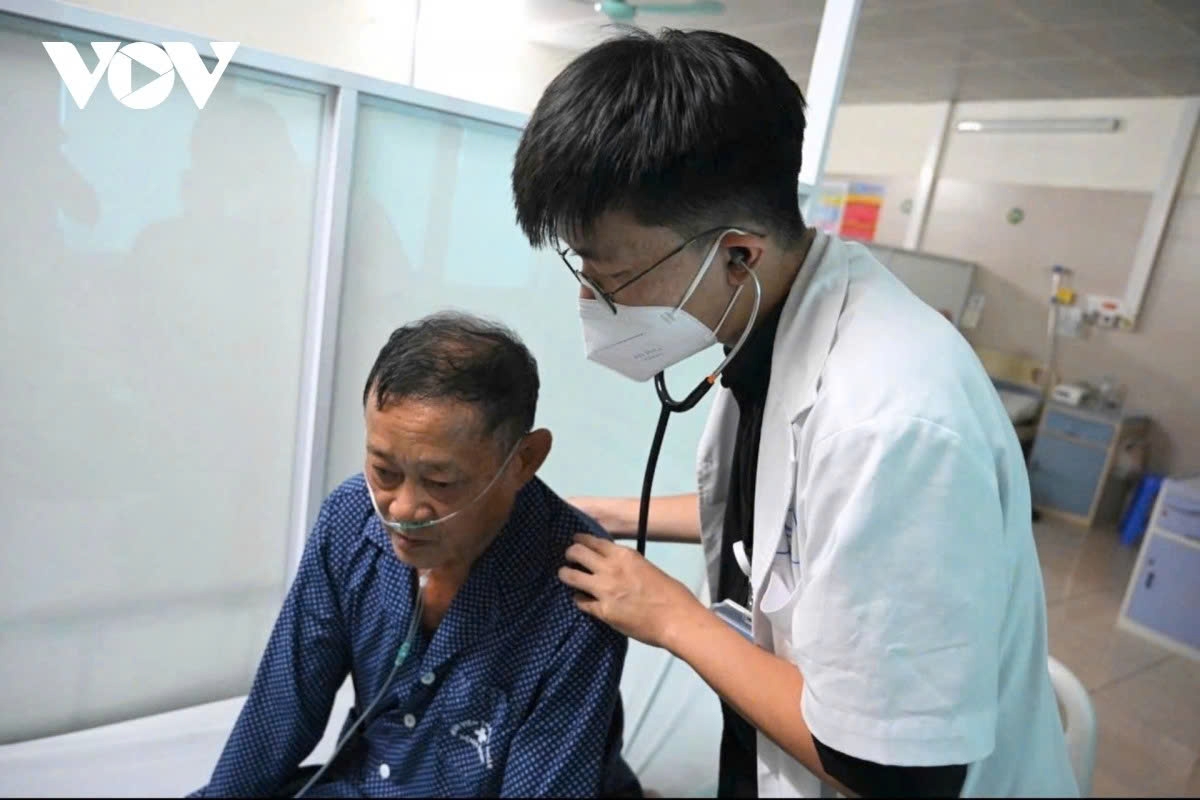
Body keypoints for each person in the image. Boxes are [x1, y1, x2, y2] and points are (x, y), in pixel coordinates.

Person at [510, 27, 1078, 799]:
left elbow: (893, 771)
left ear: (737, 254)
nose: (590, 298)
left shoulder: (890, 421)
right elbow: (793, 522)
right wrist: (602, 513)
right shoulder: (774, 321)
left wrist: (670, 615)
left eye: (610, 274)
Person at [191, 312, 640, 798]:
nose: (402, 510)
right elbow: (282, 707)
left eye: (440, 482)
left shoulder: (582, 590)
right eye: (384, 472)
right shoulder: (350, 520)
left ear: (523, 460)